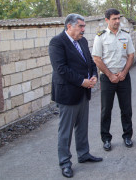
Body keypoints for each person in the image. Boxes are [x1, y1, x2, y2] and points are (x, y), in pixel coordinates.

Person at [49, 13, 103, 178]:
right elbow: (61, 69)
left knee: (82, 126)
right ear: (69, 26)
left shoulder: (83, 41)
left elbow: (90, 62)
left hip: (83, 92)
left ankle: (84, 154)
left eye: (84, 26)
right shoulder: (57, 42)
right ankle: (65, 162)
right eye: (80, 26)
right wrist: (82, 81)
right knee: (65, 131)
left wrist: (94, 75)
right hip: (68, 93)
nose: (83, 30)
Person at [92, 8, 135, 151]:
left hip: (124, 77)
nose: (117, 21)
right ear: (107, 20)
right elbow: (97, 59)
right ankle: (106, 139)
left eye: (118, 18)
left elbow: (130, 55)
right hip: (107, 78)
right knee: (106, 110)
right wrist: (110, 75)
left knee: (126, 109)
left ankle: (127, 136)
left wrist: (123, 73)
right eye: (114, 19)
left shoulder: (126, 35)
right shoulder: (101, 37)